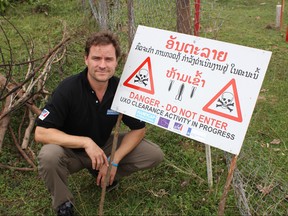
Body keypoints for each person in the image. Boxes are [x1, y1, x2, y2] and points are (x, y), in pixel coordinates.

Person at [35, 31, 164, 216]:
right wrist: (86, 143)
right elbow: (41, 133)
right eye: (96, 58)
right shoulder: (68, 89)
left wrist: (115, 160)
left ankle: (102, 173)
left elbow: (139, 129)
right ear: (86, 59)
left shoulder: (121, 90)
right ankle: (63, 204)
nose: (102, 65)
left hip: (104, 146)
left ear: (116, 62)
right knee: (48, 155)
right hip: (71, 151)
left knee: (153, 154)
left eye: (108, 59)